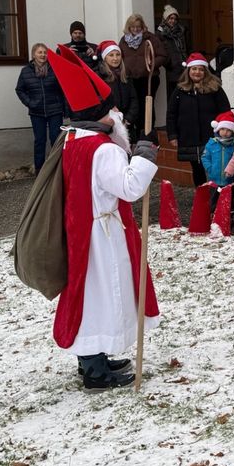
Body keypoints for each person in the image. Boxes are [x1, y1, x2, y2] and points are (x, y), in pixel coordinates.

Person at [47, 44, 160, 391]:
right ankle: (95, 371)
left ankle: (94, 357)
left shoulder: (73, 140)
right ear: (100, 114)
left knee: (89, 293)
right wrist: (143, 156)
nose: (116, 113)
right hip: (103, 231)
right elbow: (129, 188)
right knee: (102, 294)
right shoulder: (103, 149)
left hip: (85, 227)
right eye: (110, 108)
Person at [166, 53, 231, 186]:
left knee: (216, 167)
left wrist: (225, 130)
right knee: (197, 168)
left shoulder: (215, 89)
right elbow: (171, 113)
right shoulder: (179, 91)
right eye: (194, 69)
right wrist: (172, 135)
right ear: (188, 71)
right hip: (189, 137)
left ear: (206, 72)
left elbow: (225, 111)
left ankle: (220, 197)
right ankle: (202, 197)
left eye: (201, 69)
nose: (197, 72)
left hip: (212, 137)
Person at [15, 43, 65, 172]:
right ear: (33, 55)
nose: (43, 55)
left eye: (45, 52)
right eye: (40, 52)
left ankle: (57, 171)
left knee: (56, 140)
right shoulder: (26, 71)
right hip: (36, 112)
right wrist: (30, 103)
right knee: (39, 142)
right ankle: (40, 172)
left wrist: (61, 104)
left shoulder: (54, 68)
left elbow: (62, 88)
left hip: (55, 110)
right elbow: (20, 90)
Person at [119, 13, 168, 119]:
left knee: (147, 107)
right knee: (133, 106)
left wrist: (152, 63)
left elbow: (163, 55)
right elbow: (120, 57)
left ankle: (147, 132)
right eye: (133, 27)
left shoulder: (151, 38)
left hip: (149, 79)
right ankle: (136, 132)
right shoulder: (123, 41)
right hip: (130, 79)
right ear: (129, 27)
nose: (136, 29)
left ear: (142, 26)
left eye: (138, 27)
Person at [98, 41, 141, 144]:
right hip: (109, 124)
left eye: (118, 55)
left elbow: (133, 99)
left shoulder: (125, 75)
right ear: (105, 57)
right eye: (111, 55)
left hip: (126, 124)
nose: (115, 58)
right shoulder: (99, 77)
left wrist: (128, 119)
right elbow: (99, 101)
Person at [202, 111, 234, 206]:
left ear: (232, 132)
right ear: (218, 129)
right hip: (214, 180)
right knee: (213, 201)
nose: (225, 132)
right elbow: (205, 157)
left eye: (228, 130)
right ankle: (212, 216)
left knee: (228, 202)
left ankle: (228, 218)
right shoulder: (211, 143)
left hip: (228, 181)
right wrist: (210, 169)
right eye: (222, 129)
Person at [156, 6, 187, 81]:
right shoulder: (160, 34)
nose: (173, 21)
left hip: (183, 66)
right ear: (165, 19)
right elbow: (159, 50)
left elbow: (186, 48)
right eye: (170, 18)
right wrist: (169, 63)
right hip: (170, 69)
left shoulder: (181, 32)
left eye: (175, 19)